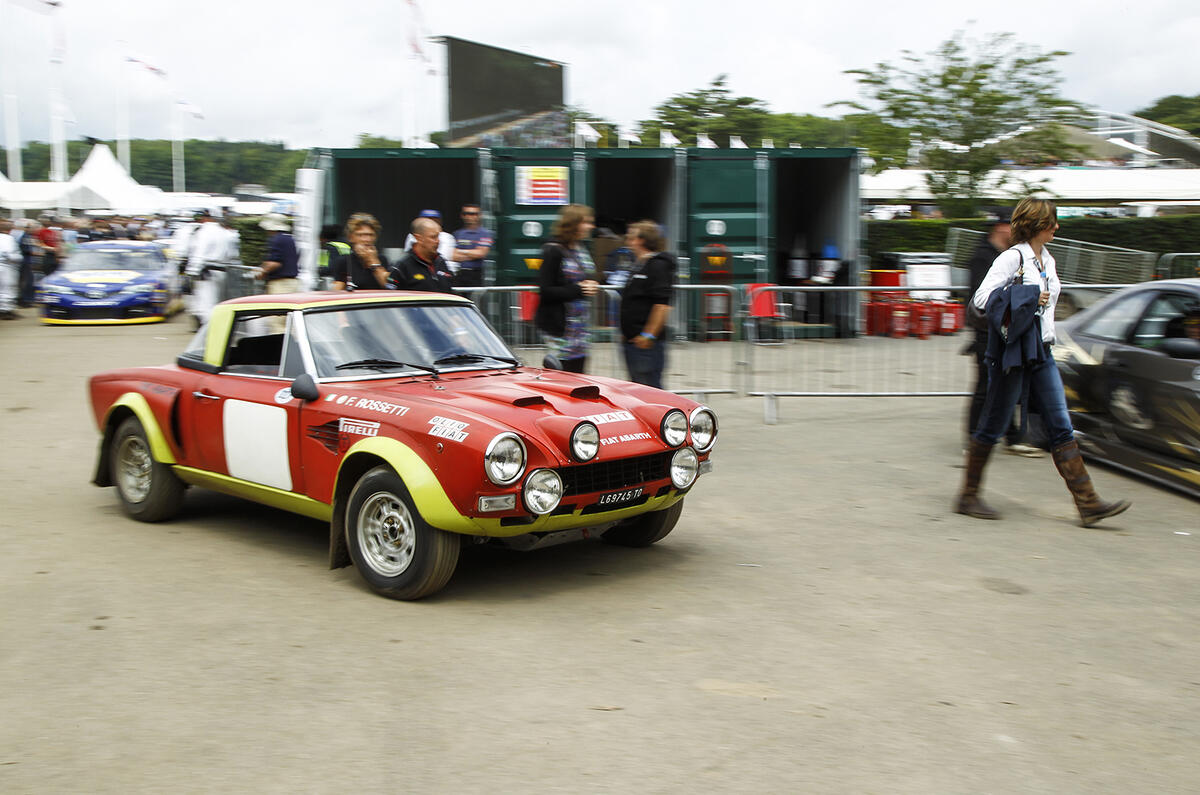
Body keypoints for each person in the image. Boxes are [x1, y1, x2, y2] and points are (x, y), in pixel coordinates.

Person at [957, 197, 1130, 528]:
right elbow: (980, 301)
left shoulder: (1046, 260)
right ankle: (968, 495)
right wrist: (1025, 297)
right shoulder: (1012, 258)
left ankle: (1088, 503)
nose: (1057, 227)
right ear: (1037, 226)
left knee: (1060, 424)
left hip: (1042, 351)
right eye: (1052, 222)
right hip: (1015, 355)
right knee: (993, 425)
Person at [964, 211, 1042, 457]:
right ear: (1001, 227)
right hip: (987, 332)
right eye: (1014, 226)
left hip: (1009, 331)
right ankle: (974, 438)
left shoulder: (1010, 256)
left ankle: (1013, 436)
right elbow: (980, 299)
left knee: (1008, 385)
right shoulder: (982, 257)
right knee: (985, 388)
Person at [534, 204, 600, 373]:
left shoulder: (581, 248)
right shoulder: (553, 250)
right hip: (561, 327)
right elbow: (546, 290)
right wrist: (579, 289)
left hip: (580, 328)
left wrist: (591, 283)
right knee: (562, 375)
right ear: (574, 223)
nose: (591, 226)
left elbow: (586, 275)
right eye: (587, 222)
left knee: (579, 375)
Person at [619, 219, 675, 389]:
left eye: (631, 237)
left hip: (646, 345)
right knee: (637, 387)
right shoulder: (638, 266)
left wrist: (649, 335)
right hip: (633, 342)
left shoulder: (658, 266)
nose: (628, 241)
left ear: (641, 240)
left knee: (649, 389)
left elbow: (662, 305)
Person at [391, 216, 455, 293]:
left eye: (438, 236)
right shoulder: (402, 266)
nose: (438, 241)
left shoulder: (441, 262)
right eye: (433, 237)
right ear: (418, 238)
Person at [330, 213, 391, 291]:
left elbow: (389, 286)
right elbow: (336, 292)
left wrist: (373, 262)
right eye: (361, 235)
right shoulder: (344, 262)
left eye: (371, 235)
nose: (367, 240)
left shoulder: (382, 260)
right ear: (351, 237)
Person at [449, 203, 493, 288]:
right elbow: (453, 256)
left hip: (476, 274)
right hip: (459, 274)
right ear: (462, 215)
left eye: (473, 214)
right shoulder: (457, 234)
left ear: (479, 216)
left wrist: (461, 252)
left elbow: (481, 253)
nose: (469, 216)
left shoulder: (485, 234)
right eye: (466, 214)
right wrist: (472, 253)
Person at [257, 213, 300, 294]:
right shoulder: (290, 239)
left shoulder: (276, 240)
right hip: (293, 283)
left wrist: (260, 273)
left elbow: (274, 263)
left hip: (280, 284)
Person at [0, 218, 20, 319]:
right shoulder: (8, 239)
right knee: (7, 288)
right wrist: (18, 258)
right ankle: (6, 311)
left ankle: (4, 309)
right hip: (6, 266)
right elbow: (10, 254)